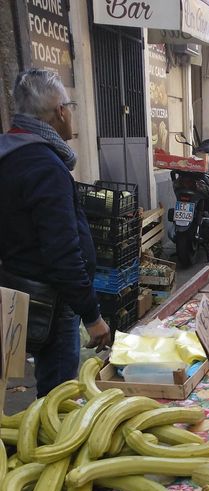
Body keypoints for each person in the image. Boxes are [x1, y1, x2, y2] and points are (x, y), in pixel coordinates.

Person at [0, 68, 111, 397]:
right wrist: (92, 316)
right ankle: (49, 444)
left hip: (16, 290)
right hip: (50, 298)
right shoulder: (45, 166)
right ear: (60, 112)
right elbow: (62, 252)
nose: (72, 114)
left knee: (32, 389)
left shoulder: (10, 156)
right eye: (71, 106)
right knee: (57, 398)